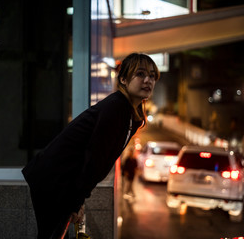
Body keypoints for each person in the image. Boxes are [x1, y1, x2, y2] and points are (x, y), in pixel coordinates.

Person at [22, 53, 160, 239]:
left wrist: (77, 200)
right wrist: (76, 201)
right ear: (124, 79)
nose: (147, 80)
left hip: (62, 180)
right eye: (140, 74)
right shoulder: (116, 107)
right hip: (53, 178)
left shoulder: (131, 115)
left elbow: (100, 161)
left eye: (152, 76)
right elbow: (95, 158)